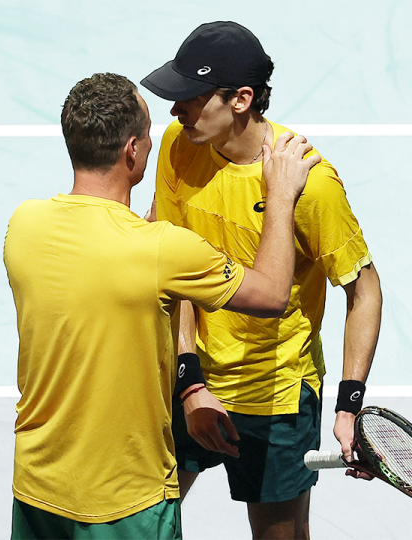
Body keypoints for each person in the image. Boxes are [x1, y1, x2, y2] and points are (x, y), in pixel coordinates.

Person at [3, 73, 320, 540]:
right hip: (127, 504)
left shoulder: (23, 225)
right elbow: (273, 293)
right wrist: (279, 195)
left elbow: (106, 261)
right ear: (133, 150)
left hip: (35, 492)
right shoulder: (161, 251)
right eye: (150, 133)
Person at [141, 21, 382, 539]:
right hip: (189, 382)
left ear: (241, 99)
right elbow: (171, 269)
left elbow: (363, 290)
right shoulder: (178, 147)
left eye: (191, 96)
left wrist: (348, 406)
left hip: (274, 399)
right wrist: (189, 380)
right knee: (145, 526)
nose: (174, 109)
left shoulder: (311, 184)